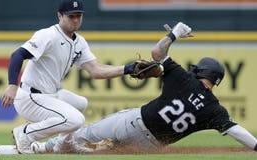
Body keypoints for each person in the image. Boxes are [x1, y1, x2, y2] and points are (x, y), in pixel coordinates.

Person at [32, 22, 257, 154]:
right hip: (150, 147)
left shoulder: (183, 79)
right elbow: (236, 131)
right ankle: (63, 150)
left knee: (86, 134)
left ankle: (42, 149)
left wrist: (174, 34)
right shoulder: (215, 110)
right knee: (98, 152)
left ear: (202, 72)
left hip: (134, 123)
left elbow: (157, 54)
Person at [1, 0, 138, 154]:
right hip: (30, 98)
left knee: (80, 103)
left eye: (78, 16)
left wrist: (128, 69)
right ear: (60, 16)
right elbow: (18, 54)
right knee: (76, 119)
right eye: (71, 16)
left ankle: (64, 144)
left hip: (50, 95)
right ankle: (26, 134)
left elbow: (96, 70)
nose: (75, 20)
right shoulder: (48, 35)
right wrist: (12, 85)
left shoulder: (79, 41)